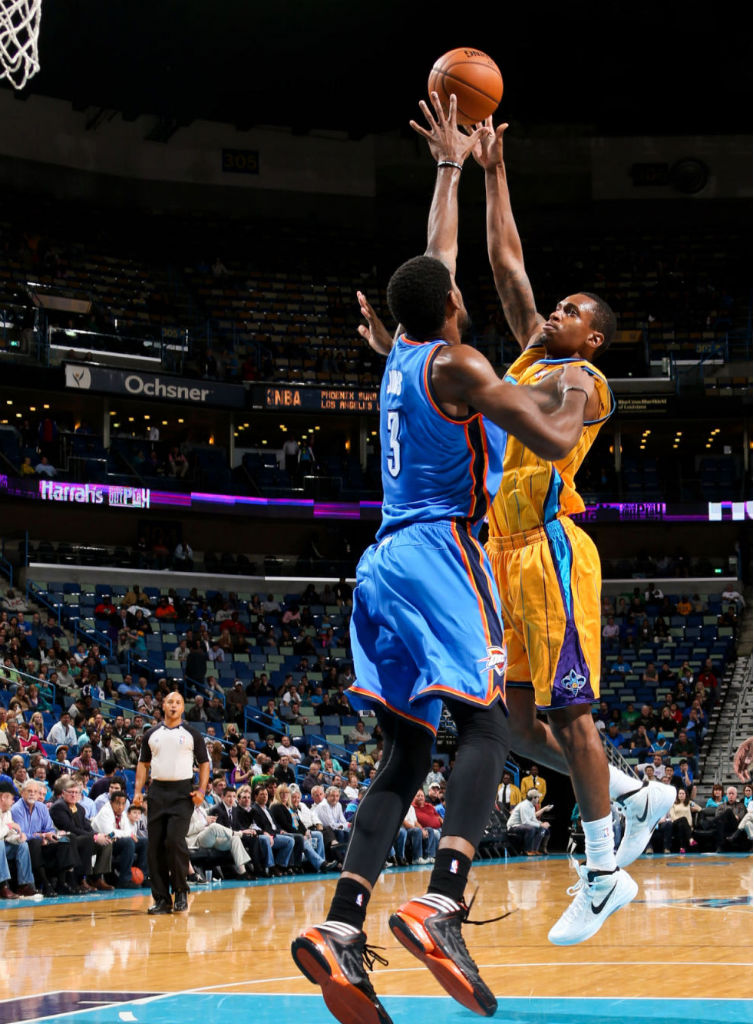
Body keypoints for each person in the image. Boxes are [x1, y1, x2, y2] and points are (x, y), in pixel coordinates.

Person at [291, 93, 601, 1024]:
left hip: (376, 566)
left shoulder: (398, 356)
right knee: (487, 729)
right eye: (458, 290)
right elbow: (545, 438)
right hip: (440, 553)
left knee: (404, 746)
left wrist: (450, 168)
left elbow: (437, 260)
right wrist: (578, 397)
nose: (464, 291)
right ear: (451, 309)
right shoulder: (460, 368)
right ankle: (442, 900)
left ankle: (344, 922)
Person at [467, 113, 675, 945]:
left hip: (553, 548)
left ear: (591, 336)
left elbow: (558, 436)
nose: (551, 312)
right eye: (552, 309)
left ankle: (602, 871)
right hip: (503, 552)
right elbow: (505, 262)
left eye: (567, 311)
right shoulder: (531, 359)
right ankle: (630, 793)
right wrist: (494, 171)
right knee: (518, 723)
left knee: (573, 714)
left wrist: (482, 395)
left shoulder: (583, 378)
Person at [132, 692, 210, 914]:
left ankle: (181, 890)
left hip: (182, 793)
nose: (174, 705)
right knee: (154, 846)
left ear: (183, 707)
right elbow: (142, 764)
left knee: (175, 842)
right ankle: (162, 899)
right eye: (170, 702)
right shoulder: (151, 733)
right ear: (163, 705)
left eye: (178, 702)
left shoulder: (192, 734)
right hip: (157, 792)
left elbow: (204, 764)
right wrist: (138, 791)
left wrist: (202, 790)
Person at [506, 788, 550, 855]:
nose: (538, 799)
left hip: (522, 825)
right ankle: (527, 850)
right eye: (538, 797)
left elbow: (533, 819)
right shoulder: (525, 805)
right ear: (533, 798)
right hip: (514, 826)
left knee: (542, 829)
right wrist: (540, 825)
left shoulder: (532, 806)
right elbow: (525, 822)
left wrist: (542, 824)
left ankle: (534, 849)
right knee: (531, 828)